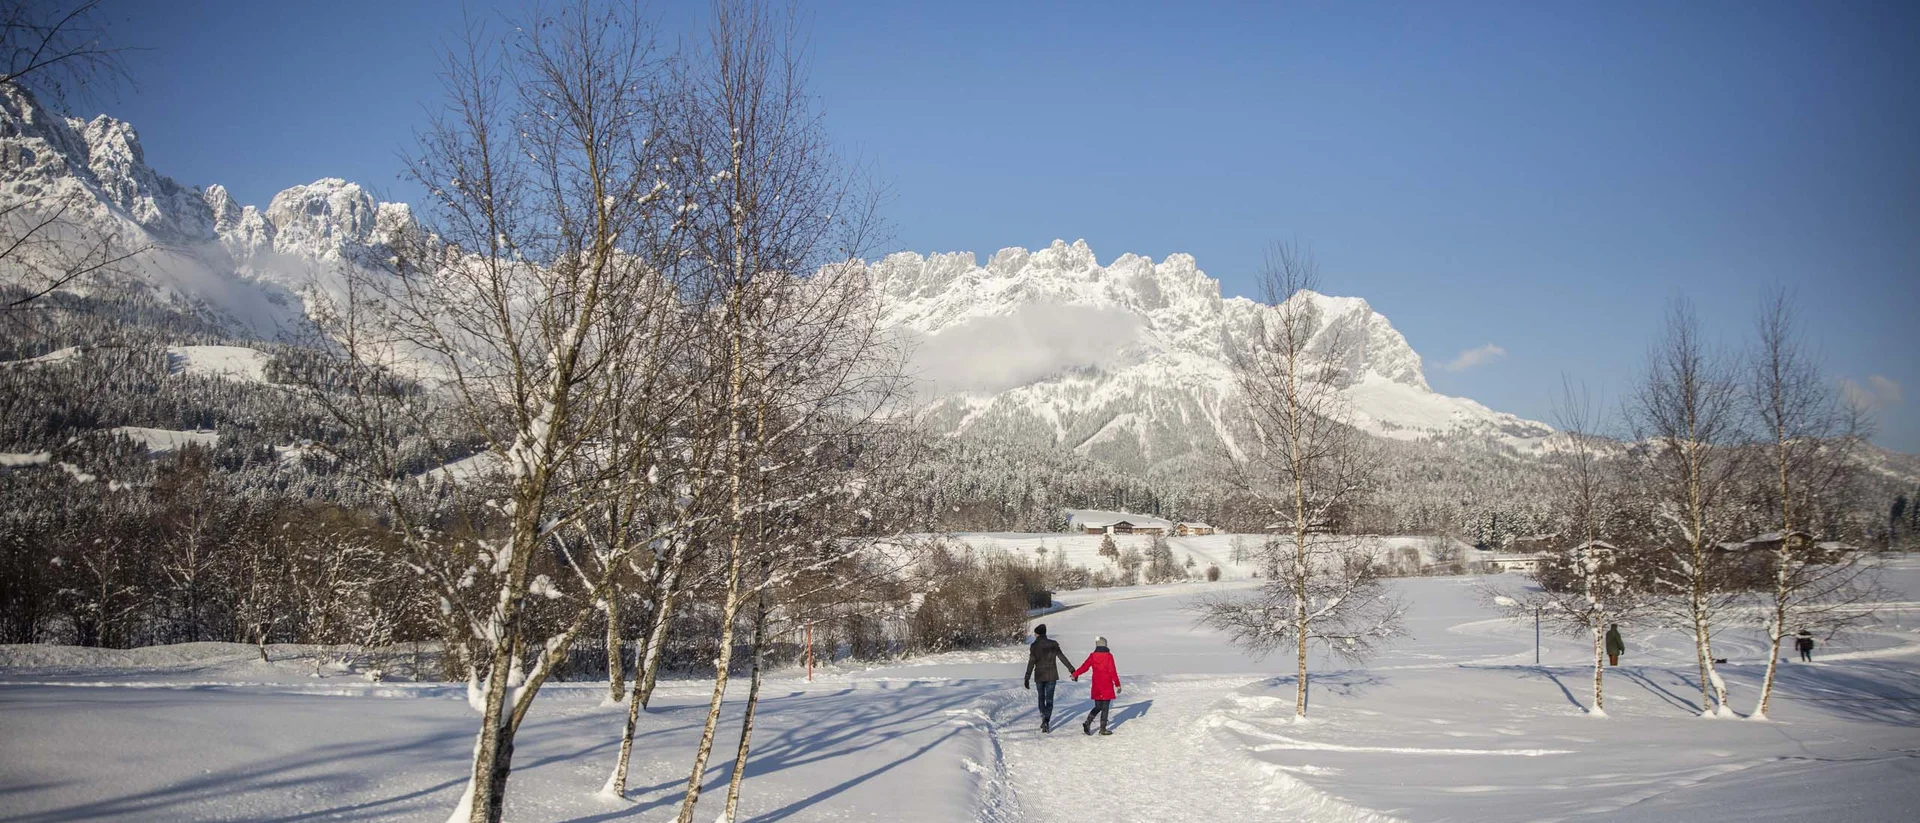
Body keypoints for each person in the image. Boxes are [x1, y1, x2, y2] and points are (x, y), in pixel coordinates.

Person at [1024, 623, 1073, 732]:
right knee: (1049, 699)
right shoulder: (1053, 644)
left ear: (1038, 634)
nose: (1035, 636)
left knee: (1041, 697)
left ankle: (1043, 718)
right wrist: (1071, 669)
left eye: (1035, 634)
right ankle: (1046, 720)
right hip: (1051, 675)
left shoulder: (1034, 646)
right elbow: (1062, 657)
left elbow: (1031, 662)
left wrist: (1027, 677)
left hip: (1040, 676)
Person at [1071, 635, 1122, 736]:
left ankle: (1088, 722)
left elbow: (1084, 667)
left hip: (1097, 684)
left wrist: (1075, 674)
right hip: (1106, 684)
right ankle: (1102, 729)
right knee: (1105, 707)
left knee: (1098, 706)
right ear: (1105, 645)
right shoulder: (1108, 656)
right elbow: (1112, 671)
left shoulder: (1092, 656)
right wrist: (1117, 684)